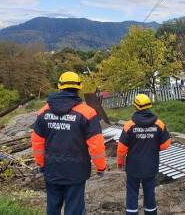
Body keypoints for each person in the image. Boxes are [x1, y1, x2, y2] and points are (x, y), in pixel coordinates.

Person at [31, 71, 107, 215]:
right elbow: (96, 144)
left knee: (53, 207)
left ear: (59, 87)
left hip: (52, 169)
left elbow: (37, 142)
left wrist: (41, 164)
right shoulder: (88, 113)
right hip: (76, 171)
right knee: (75, 208)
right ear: (79, 87)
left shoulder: (43, 112)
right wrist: (101, 167)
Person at [117, 94, 171, 215]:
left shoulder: (129, 125)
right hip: (151, 166)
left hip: (133, 168)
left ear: (135, 106)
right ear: (149, 105)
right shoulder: (159, 124)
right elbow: (166, 144)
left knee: (132, 193)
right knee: (149, 193)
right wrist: (153, 147)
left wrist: (120, 164)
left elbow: (121, 149)